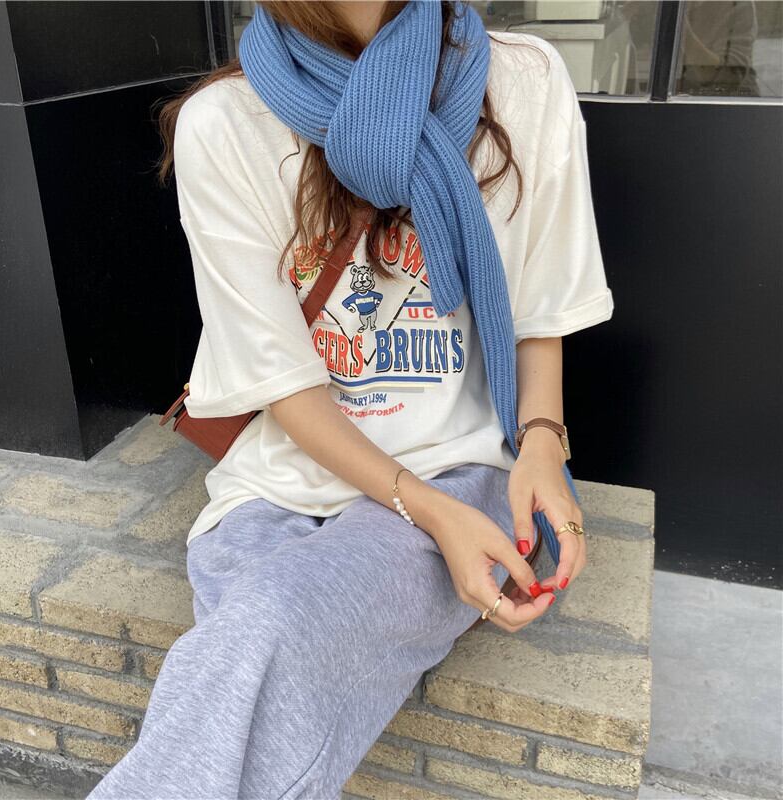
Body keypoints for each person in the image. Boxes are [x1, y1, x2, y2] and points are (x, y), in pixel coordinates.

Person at [87, 1, 614, 798]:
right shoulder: (224, 122)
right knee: (259, 645)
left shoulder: (522, 80)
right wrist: (418, 509)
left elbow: (541, 309)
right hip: (278, 483)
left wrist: (542, 442)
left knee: (262, 628)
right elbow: (285, 386)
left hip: (458, 472)